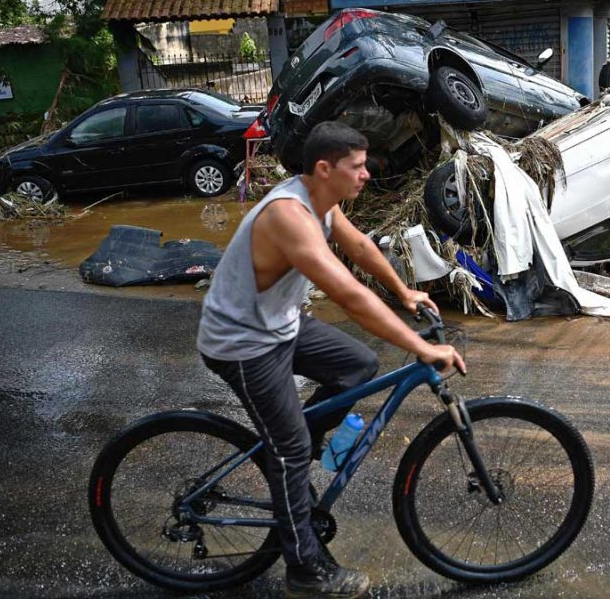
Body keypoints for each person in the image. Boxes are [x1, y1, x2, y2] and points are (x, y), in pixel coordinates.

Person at [197, 122, 465, 598]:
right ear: (325, 169)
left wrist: (404, 291)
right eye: (357, 167)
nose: (366, 175)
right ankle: (305, 572)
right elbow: (348, 294)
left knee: (357, 367)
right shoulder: (288, 216)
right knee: (292, 450)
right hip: (242, 344)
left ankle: (295, 453)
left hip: (279, 324)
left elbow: (359, 247)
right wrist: (422, 347)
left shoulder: (321, 201)